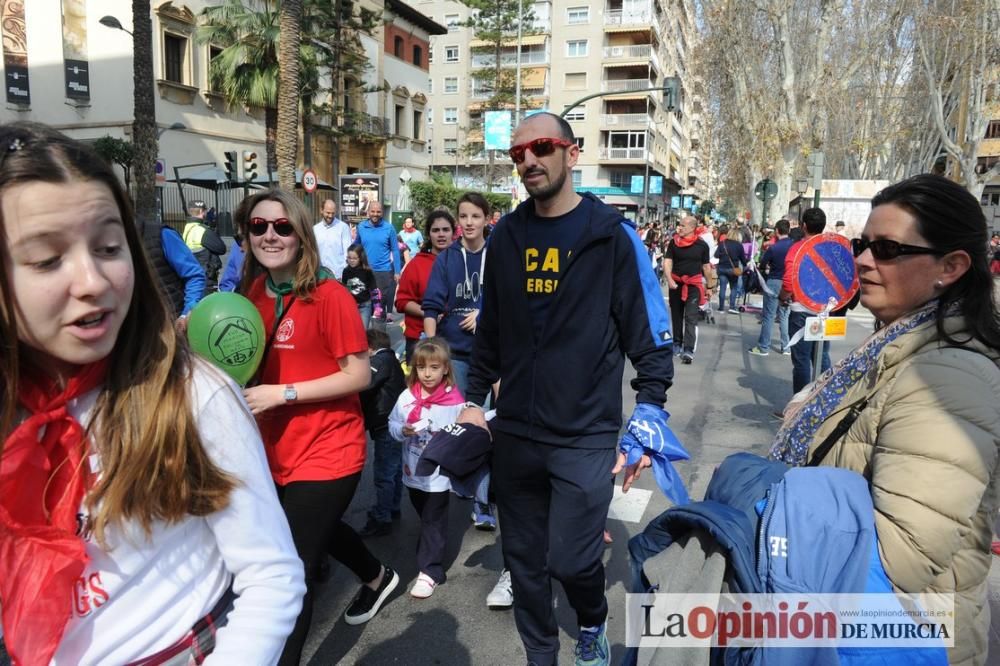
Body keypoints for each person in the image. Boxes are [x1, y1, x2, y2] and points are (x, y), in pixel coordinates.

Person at [0, 122, 304, 664]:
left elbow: (272, 574)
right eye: (47, 260)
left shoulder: (192, 396)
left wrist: (283, 390)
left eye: (109, 247)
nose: (91, 280)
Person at [463, 112, 675, 666]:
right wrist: (471, 397)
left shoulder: (610, 237)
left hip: (585, 433)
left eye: (541, 147)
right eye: (518, 154)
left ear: (571, 153)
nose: (529, 160)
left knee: (573, 561)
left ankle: (592, 620)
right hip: (515, 431)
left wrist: (650, 409)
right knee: (524, 562)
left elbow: (649, 334)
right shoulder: (506, 234)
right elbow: (492, 326)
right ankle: (540, 653)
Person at [770, 174, 1000, 666]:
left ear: (952, 266)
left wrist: (772, 513)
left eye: (889, 249)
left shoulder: (948, 375)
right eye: (862, 244)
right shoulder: (896, 346)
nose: (862, 261)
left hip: (893, 640)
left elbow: (903, 556)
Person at [238, 189, 399, 665]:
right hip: (273, 450)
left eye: (283, 226)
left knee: (294, 569)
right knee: (315, 531)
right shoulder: (250, 295)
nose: (270, 235)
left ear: (302, 235)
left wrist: (282, 394)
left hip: (330, 449)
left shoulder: (329, 296)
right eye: (259, 226)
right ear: (246, 235)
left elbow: (358, 374)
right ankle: (376, 576)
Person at [421, 192, 496, 530]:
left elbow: (513, 296)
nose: (468, 223)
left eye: (475, 216)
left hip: (498, 353)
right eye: (463, 216)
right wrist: (432, 345)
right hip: (460, 355)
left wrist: (485, 312)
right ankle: (480, 503)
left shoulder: (498, 254)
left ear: (486, 219)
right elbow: (432, 306)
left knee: (500, 428)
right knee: (470, 428)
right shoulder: (447, 258)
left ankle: (493, 493)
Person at [388, 338, 467, 599]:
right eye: (421, 368)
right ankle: (431, 544)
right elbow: (392, 423)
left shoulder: (454, 401)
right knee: (424, 513)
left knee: (434, 518)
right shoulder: (407, 396)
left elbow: (463, 432)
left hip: (438, 474)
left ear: (445, 368)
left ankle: (430, 570)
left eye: (434, 367)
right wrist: (403, 429)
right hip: (413, 471)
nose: (427, 373)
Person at [358, 328, 407, 537]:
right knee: (394, 470)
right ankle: (393, 506)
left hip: (385, 423)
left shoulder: (379, 361)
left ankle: (381, 516)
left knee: (384, 473)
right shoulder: (392, 359)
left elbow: (365, 383)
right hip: (393, 421)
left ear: (369, 347)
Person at [779, 207, 832, 393]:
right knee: (822, 355)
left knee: (802, 360)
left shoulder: (798, 248)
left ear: (803, 226)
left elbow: (789, 280)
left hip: (801, 309)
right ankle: (826, 398)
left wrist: (782, 298)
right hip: (826, 310)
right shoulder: (831, 248)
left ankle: (799, 406)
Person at [396, 209, 456, 362]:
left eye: (445, 230)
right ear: (429, 235)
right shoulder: (417, 264)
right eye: (436, 230)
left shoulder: (462, 261)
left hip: (456, 339)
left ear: (453, 233)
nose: (441, 234)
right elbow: (402, 301)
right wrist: (429, 313)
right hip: (420, 338)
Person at [663, 215, 712, 364]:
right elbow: (667, 262)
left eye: (683, 225)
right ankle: (676, 343)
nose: (680, 228)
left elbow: (706, 267)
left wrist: (709, 286)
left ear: (692, 228)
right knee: (676, 315)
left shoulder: (702, 245)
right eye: (679, 225)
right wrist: (670, 280)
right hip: (676, 284)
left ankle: (688, 349)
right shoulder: (674, 242)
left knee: (691, 317)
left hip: (693, 286)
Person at [749, 219, 793, 356]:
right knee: (784, 316)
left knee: (768, 315)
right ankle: (786, 347)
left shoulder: (774, 248)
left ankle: (764, 347)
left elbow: (762, 264)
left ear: (777, 231)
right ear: (789, 231)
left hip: (774, 281)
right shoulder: (794, 246)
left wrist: (768, 266)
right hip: (789, 282)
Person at [356, 201, 402, 315]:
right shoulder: (361, 227)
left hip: (383, 273)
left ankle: (378, 332)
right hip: (365, 271)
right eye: (373, 211)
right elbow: (356, 247)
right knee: (365, 305)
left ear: (382, 213)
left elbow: (395, 250)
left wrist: (397, 271)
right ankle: (365, 332)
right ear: (368, 212)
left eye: (378, 211)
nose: (375, 214)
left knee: (379, 307)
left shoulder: (389, 228)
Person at [181, 199, 227, 293]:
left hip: (193, 276)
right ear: (202, 212)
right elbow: (222, 248)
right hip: (206, 278)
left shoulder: (187, 228)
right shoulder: (202, 230)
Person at [314, 198, 353, 280]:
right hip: (320, 276)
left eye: (333, 213)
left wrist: (344, 274)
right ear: (321, 210)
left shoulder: (343, 227)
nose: (330, 216)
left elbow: (348, 252)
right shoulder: (315, 229)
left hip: (338, 275)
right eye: (328, 213)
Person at [342, 243, 378, 329]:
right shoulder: (346, 271)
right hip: (351, 306)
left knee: (363, 330)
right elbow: (344, 289)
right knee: (352, 330)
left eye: (355, 258)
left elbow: (374, 288)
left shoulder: (367, 271)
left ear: (361, 258)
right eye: (349, 258)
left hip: (365, 306)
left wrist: (377, 306)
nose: (352, 260)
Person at [714, 223, 746, 314]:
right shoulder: (739, 245)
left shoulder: (722, 243)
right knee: (734, 288)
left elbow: (716, 255)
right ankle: (732, 306)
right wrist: (745, 266)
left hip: (722, 268)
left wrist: (722, 255)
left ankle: (721, 307)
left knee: (723, 287)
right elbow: (743, 259)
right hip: (733, 269)